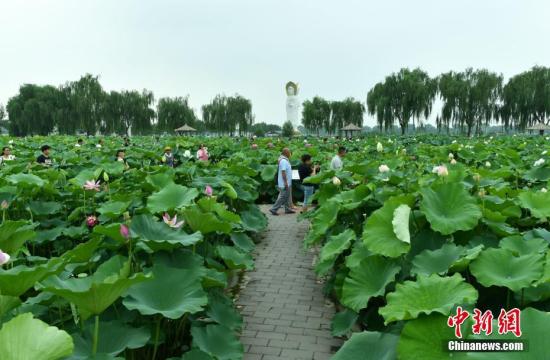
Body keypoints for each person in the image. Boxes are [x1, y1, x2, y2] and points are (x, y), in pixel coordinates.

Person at [270, 148, 295, 215]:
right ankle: (274, 209)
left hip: (287, 182)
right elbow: (283, 172)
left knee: (286, 196)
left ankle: (288, 209)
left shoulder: (285, 160)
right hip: (284, 183)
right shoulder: (283, 161)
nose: (290, 154)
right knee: (283, 196)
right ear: (286, 153)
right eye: (289, 152)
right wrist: (285, 182)